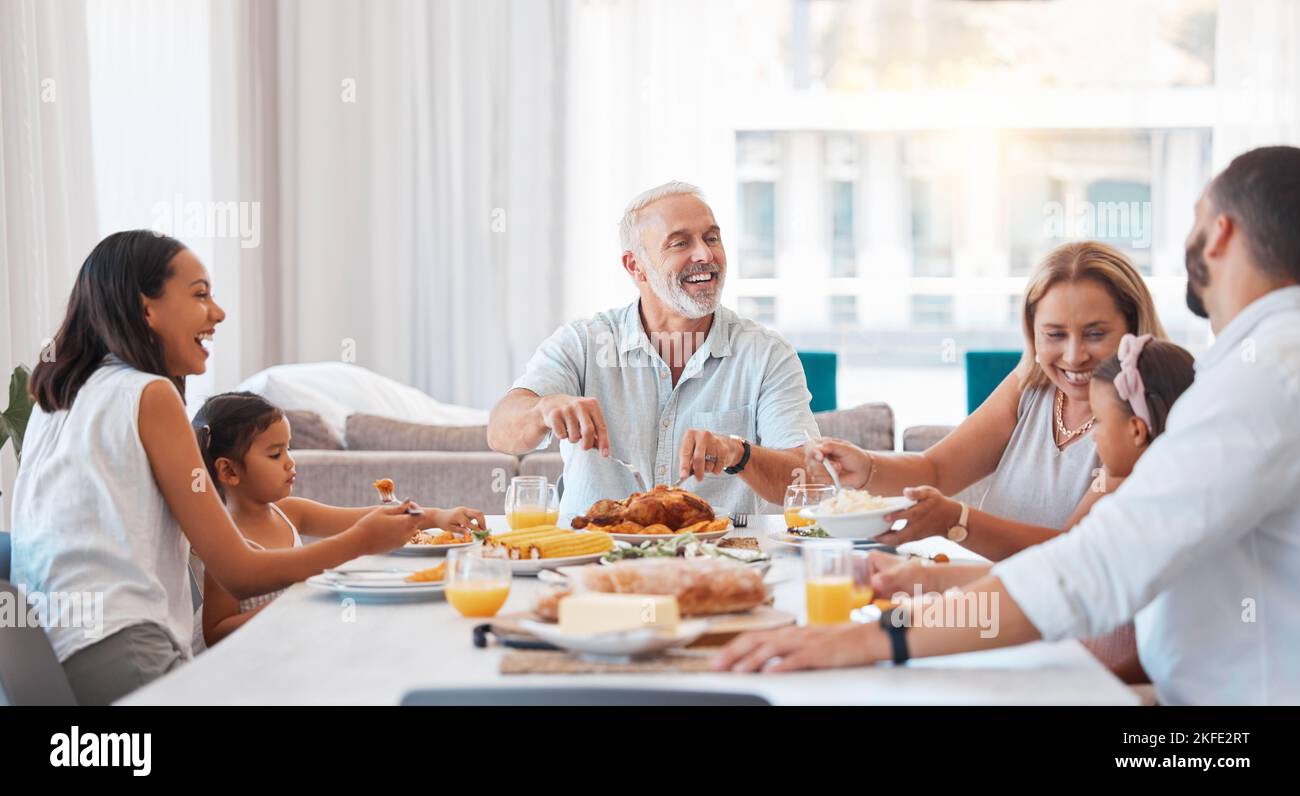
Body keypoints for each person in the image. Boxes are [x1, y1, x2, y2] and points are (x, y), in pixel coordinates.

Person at [712, 146, 1300, 706]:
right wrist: (917, 581)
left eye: (1195, 221)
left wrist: (874, 639)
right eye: (1055, 334)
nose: (1074, 356)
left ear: (1219, 232)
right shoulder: (1258, 368)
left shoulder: (1258, 380)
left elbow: (1094, 563)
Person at [10, 231, 422, 704]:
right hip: (124, 648)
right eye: (200, 294)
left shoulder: (57, 398)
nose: (218, 313)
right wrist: (360, 542)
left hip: (53, 655)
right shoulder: (149, 393)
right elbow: (239, 572)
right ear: (147, 309)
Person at [806, 241, 1165, 562]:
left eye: (1095, 334)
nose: (1073, 356)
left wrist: (957, 521)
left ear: (1133, 328)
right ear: (1032, 332)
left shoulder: (1139, 424)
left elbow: (1069, 557)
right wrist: (865, 466)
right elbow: (938, 470)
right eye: (1055, 334)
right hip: (986, 600)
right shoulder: (1031, 386)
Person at [488, 181, 818, 516]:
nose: (705, 254)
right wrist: (542, 409)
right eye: (680, 243)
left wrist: (739, 454)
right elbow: (501, 432)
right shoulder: (584, 342)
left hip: (713, 561)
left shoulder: (765, 354)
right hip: (593, 560)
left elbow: (809, 482)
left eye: (712, 238)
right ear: (635, 267)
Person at [192, 391, 485, 646]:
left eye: (289, 449)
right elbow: (216, 633)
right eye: (275, 454)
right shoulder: (224, 544)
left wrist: (436, 515)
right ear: (229, 471)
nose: (290, 462)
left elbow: (369, 518)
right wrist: (292, 602)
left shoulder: (291, 512)